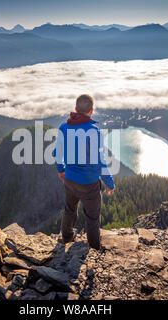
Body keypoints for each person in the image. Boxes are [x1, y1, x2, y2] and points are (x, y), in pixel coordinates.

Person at [53, 94, 115, 250]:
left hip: (69, 179)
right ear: (92, 111)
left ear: (75, 109)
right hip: (89, 184)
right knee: (92, 218)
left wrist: (61, 170)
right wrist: (110, 183)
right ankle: (94, 247)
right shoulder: (94, 131)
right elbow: (100, 162)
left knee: (69, 210)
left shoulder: (63, 127)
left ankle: (66, 238)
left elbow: (56, 153)